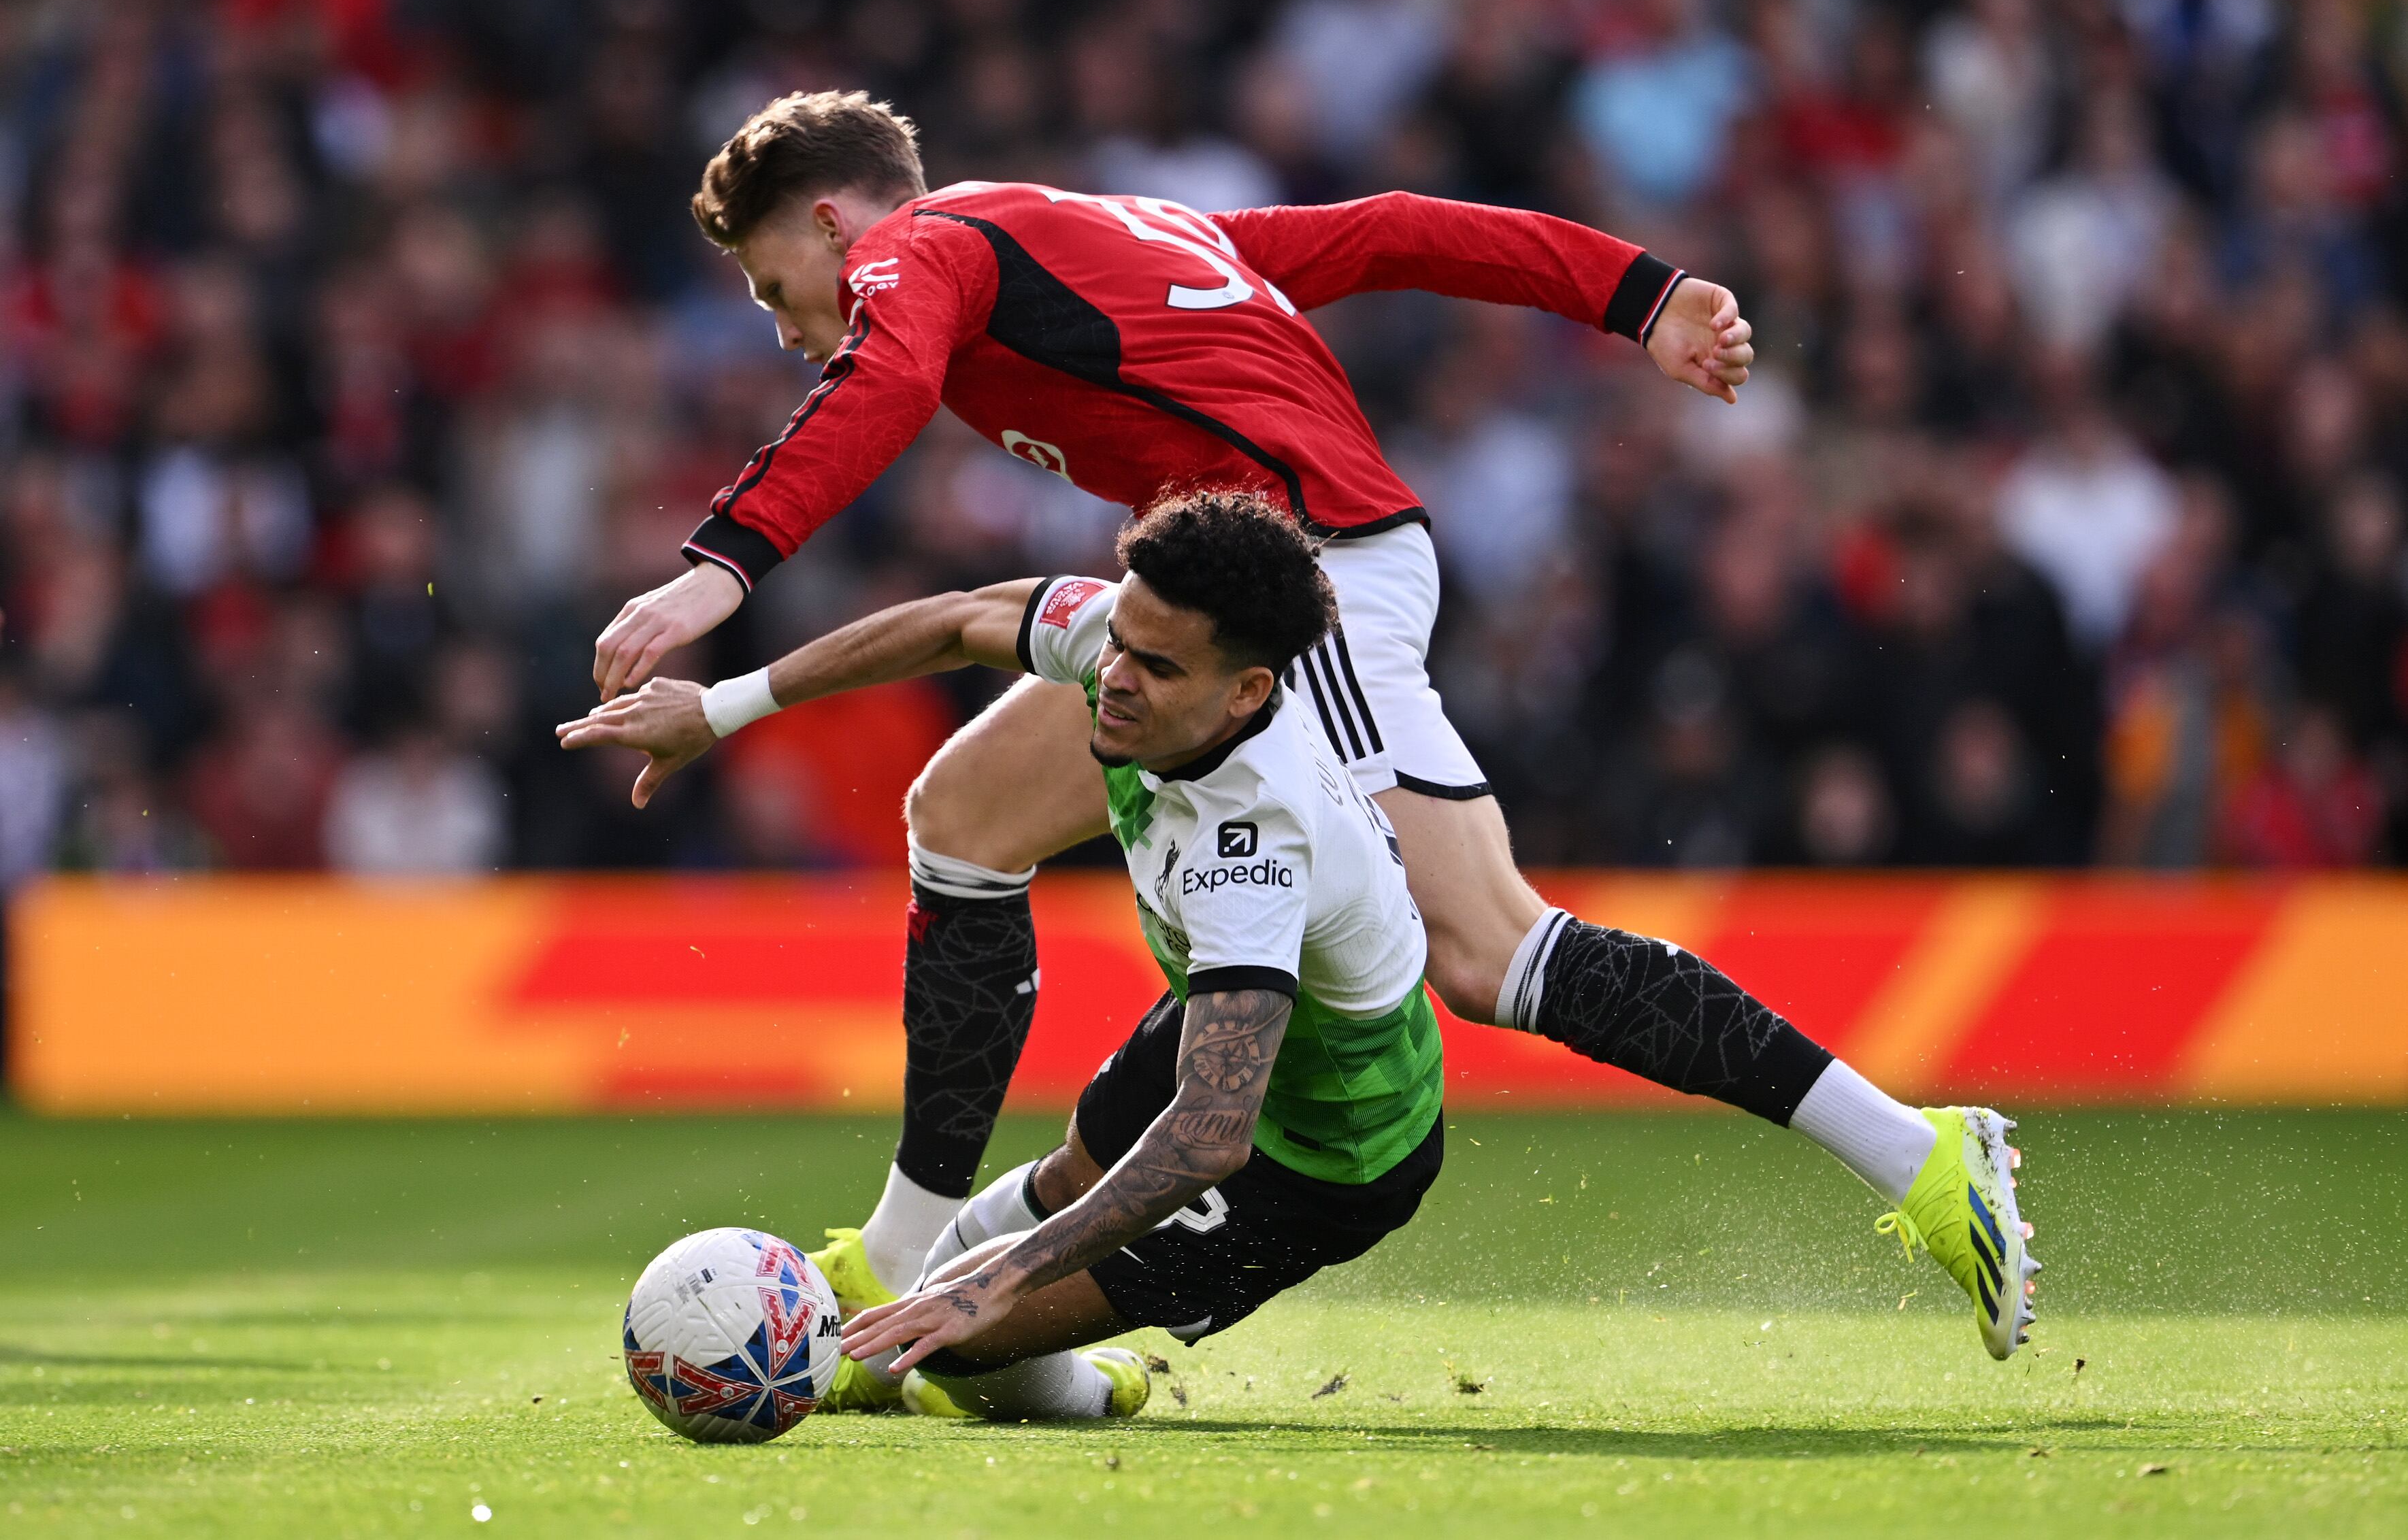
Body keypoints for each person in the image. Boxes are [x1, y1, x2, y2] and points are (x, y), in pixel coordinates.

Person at [584, 90, 2036, 1371]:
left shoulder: (919, 251)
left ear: (832, 222)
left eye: (776, 287)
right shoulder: (1122, 232)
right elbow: (1397, 230)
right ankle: (900, 1252)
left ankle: (1918, 1155)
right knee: (962, 817)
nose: (789, 326)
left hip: (1306, 588)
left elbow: (884, 381)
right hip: (1212, 592)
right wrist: (1637, 294)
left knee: (1489, 950)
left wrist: (720, 570)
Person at [563, 495, 1447, 1419]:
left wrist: (1001, 1284)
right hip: (1228, 1014)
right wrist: (719, 708)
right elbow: (955, 622)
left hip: (1331, 1146)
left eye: (1157, 667)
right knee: (1051, 1194)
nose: (1115, 678)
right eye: (1120, 642)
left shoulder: (1253, 845)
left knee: (959, 1338)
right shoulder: (1127, 642)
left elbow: (1208, 1135)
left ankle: (1098, 1389)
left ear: (1248, 692)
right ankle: (912, 1328)